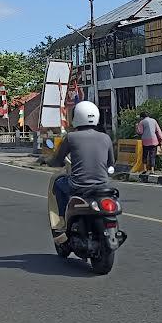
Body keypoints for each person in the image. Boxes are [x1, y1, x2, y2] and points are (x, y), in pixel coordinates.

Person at [48, 101, 115, 238]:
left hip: (79, 186)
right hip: (103, 186)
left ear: (76, 117)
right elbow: (111, 163)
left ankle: (62, 220)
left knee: (59, 183)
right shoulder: (106, 137)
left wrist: (49, 161)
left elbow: (58, 159)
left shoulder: (71, 137)